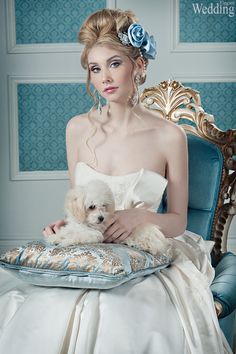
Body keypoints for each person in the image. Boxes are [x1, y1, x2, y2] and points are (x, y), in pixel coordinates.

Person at [43, 8, 232, 354]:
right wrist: (65, 226)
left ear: (139, 64)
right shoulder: (76, 129)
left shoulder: (169, 136)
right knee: (39, 308)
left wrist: (138, 217)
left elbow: (178, 220)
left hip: (146, 253)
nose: (105, 78)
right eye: (95, 68)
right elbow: (80, 207)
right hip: (94, 252)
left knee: (123, 315)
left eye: (115, 64)